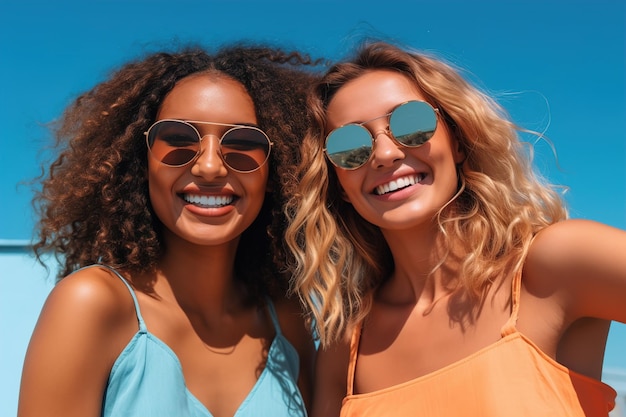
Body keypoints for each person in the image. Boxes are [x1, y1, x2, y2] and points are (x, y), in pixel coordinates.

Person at [285, 41, 626, 417]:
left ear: (459, 140)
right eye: (349, 146)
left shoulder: (555, 265)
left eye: (411, 124)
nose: (385, 154)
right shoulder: (346, 343)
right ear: (339, 184)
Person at [19, 43, 322, 417]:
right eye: (178, 141)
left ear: (275, 172)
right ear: (142, 163)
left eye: (244, 144)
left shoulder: (288, 321)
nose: (209, 167)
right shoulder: (92, 304)